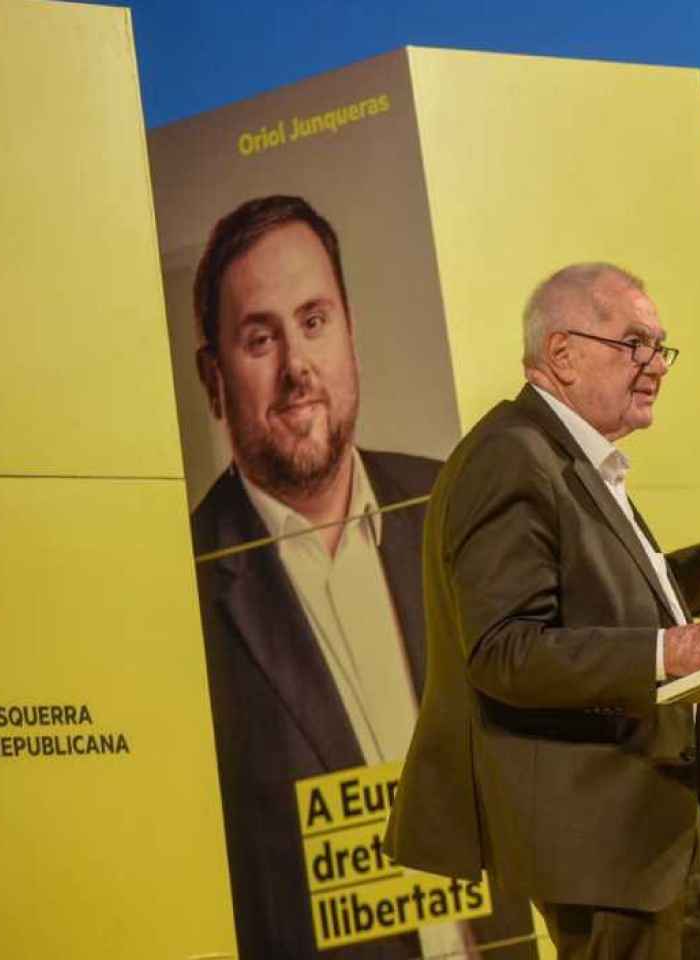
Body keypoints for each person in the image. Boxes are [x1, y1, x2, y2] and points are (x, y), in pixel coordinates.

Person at [386, 262, 700, 960]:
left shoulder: (566, 455)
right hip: (600, 838)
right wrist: (670, 651)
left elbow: (595, 595)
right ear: (562, 354)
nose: (656, 366)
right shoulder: (511, 458)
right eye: (634, 344)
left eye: (660, 348)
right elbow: (503, 650)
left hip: (651, 826)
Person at [187, 195, 526, 958]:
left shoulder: (457, 506)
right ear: (214, 378)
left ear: (350, 333)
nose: (297, 368)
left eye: (314, 322)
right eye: (259, 338)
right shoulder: (184, 593)